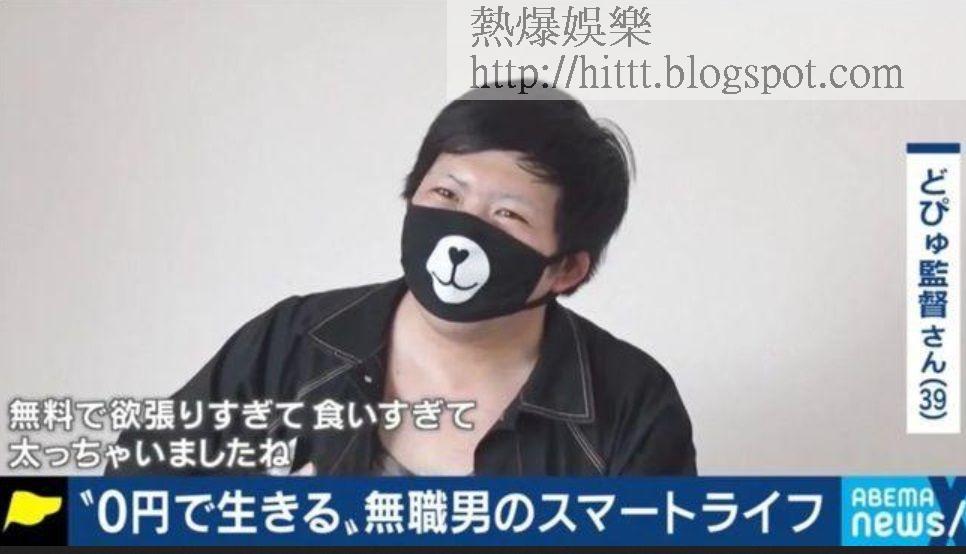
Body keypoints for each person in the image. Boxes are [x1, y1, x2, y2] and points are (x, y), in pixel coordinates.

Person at [106, 85, 697, 476]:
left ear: (566, 268)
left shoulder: (631, 404)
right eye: (446, 193)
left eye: (507, 215)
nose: (462, 229)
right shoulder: (295, 343)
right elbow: (132, 494)